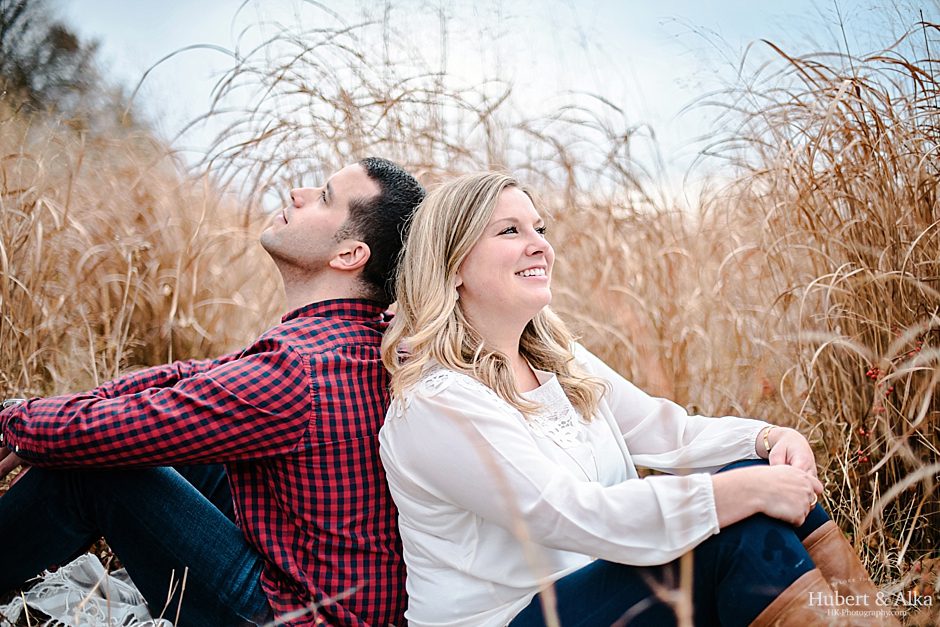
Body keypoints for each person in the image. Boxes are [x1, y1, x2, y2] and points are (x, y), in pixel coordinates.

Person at [378, 171, 898, 626]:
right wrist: (742, 493)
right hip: (512, 617)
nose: (538, 244)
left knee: (757, 479)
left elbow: (669, 432)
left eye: (540, 229)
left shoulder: (560, 360)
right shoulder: (436, 402)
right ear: (453, 265)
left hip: (599, 593)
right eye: (510, 230)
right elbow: (571, 514)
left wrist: (768, 440)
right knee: (743, 525)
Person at [0, 157, 426, 627]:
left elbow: (125, 427)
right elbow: (195, 380)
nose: (297, 194)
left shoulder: (302, 369)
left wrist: (15, 425)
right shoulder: (354, 337)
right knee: (170, 441)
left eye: (323, 197)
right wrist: (44, 410)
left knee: (98, 467)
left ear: (348, 255)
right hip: (327, 584)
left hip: (296, 616)